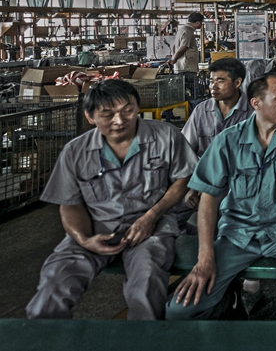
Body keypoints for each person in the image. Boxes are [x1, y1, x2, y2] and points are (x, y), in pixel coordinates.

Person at [165, 72, 276, 322]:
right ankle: (225, 303)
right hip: (239, 232)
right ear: (256, 103)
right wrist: (205, 258)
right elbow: (208, 197)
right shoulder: (228, 140)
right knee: (179, 309)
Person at [26, 80, 197, 319]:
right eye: (107, 114)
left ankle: (145, 336)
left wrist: (151, 216)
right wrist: (84, 239)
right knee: (54, 283)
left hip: (152, 228)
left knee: (147, 282)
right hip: (95, 228)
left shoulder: (165, 136)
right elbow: (70, 204)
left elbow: (183, 178)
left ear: (137, 107)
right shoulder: (75, 151)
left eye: (127, 110)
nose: (119, 120)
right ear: (90, 117)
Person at [179, 58, 254, 230]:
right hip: (201, 179)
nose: (213, 86)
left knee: (227, 217)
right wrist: (192, 186)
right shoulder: (201, 110)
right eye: (211, 81)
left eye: (220, 81)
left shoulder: (253, 112)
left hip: (237, 182)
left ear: (237, 83)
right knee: (169, 209)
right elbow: (185, 152)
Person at [168, 12, 204, 101]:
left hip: (181, 67)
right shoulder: (188, 31)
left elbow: (174, 46)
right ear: (197, 22)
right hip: (187, 67)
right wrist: (174, 59)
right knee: (194, 94)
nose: (202, 25)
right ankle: (193, 108)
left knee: (183, 92)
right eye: (201, 22)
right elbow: (183, 48)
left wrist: (174, 58)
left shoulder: (182, 30)